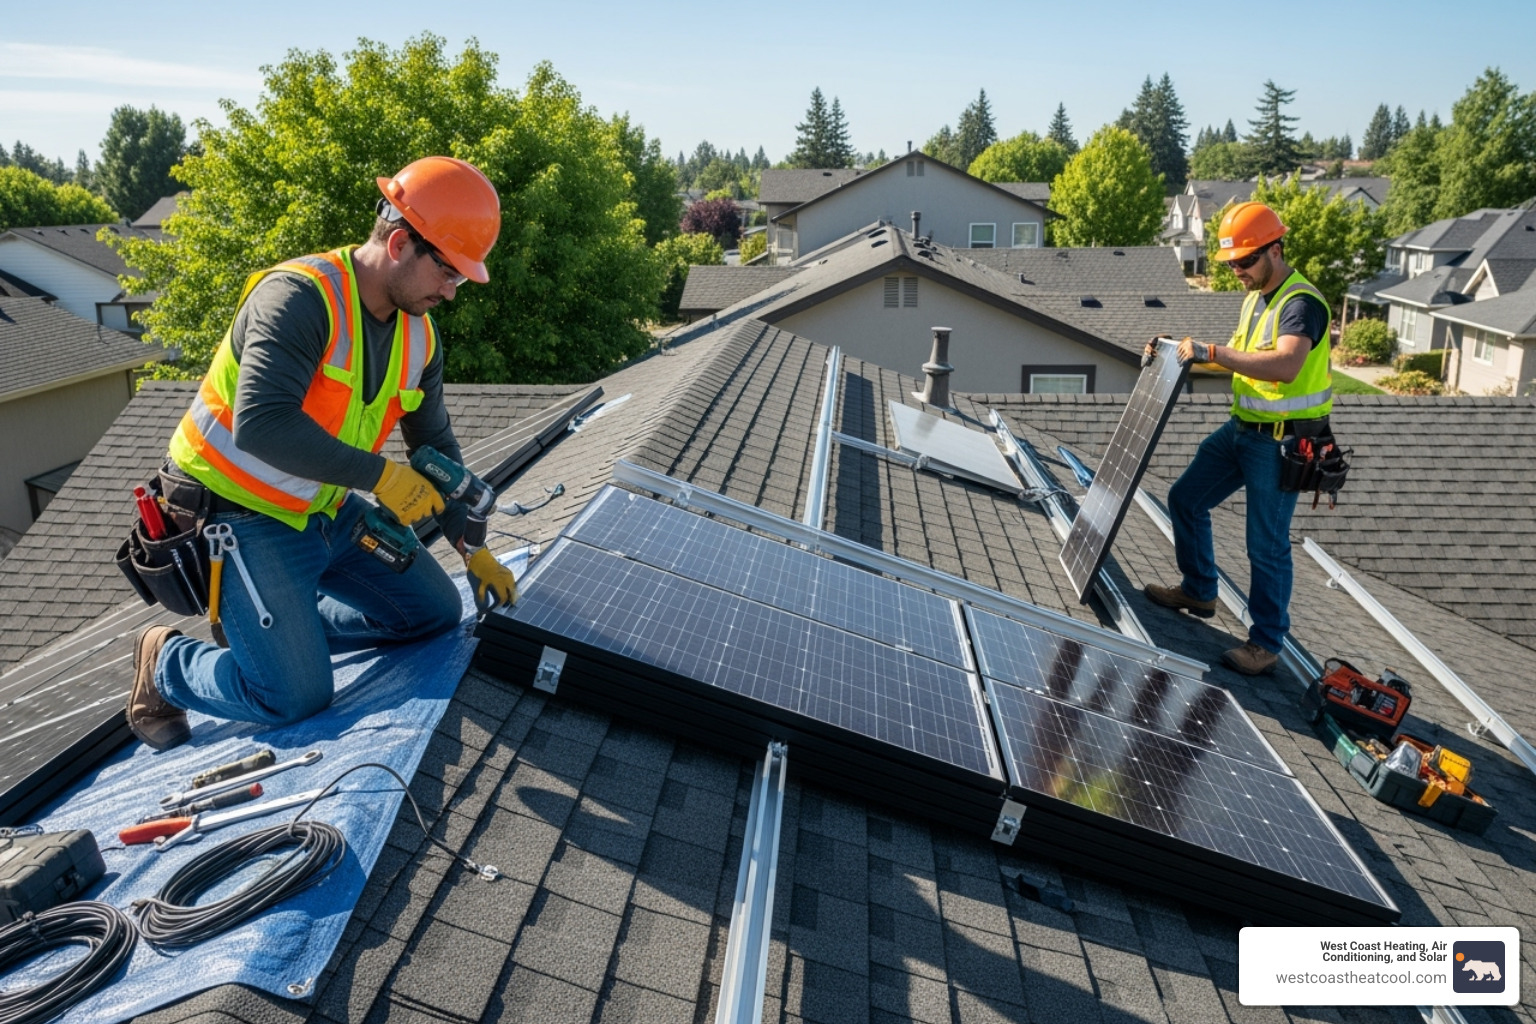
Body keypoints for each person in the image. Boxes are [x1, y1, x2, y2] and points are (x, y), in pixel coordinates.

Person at [128, 157, 520, 750]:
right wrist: (381, 476)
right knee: (294, 697)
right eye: (448, 272)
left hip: (326, 510)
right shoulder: (298, 299)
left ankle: (277, 636)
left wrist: (473, 546)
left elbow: (435, 447)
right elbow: (261, 424)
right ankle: (165, 663)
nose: (451, 290)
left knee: (434, 613)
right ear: (398, 242)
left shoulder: (420, 336)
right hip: (237, 515)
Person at [1142, 201, 1332, 676]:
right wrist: (1178, 352)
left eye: (1245, 261)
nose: (1237, 272)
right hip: (1243, 429)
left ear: (1276, 248)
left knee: (1265, 545)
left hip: (1281, 444)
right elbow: (1240, 358)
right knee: (1185, 498)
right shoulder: (1256, 298)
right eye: (1231, 265)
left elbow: (1286, 366)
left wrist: (1214, 351)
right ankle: (1200, 589)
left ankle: (1266, 644)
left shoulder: (1299, 303)